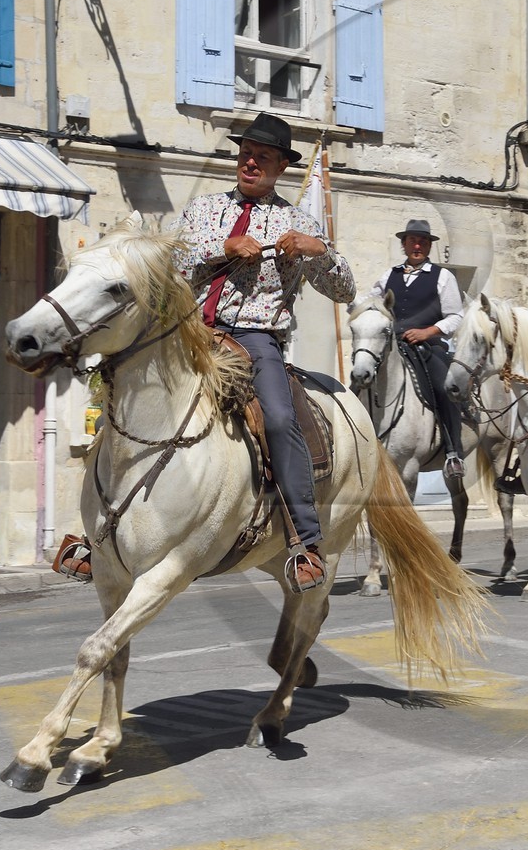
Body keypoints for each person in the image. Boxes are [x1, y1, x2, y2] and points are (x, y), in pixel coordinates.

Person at [176, 112, 356, 591]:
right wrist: (224, 246)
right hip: (190, 329)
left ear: (280, 167)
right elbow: (173, 259)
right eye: (246, 154)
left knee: (278, 416)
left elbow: (345, 291)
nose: (250, 163)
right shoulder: (203, 210)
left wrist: (320, 251)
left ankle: (305, 541)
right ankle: (101, 526)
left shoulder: (295, 222)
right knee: (125, 381)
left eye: (263, 157)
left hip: (253, 337)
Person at [371, 219, 467, 480]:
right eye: (412, 240)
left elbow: (456, 316)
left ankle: (452, 452)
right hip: (393, 347)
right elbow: (374, 307)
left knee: (445, 388)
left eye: (423, 241)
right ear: (403, 244)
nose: (417, 245)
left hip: (427, 347)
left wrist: (429, 331)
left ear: (429, 246)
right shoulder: (387, 276)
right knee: (362, 380)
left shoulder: (442, 276)